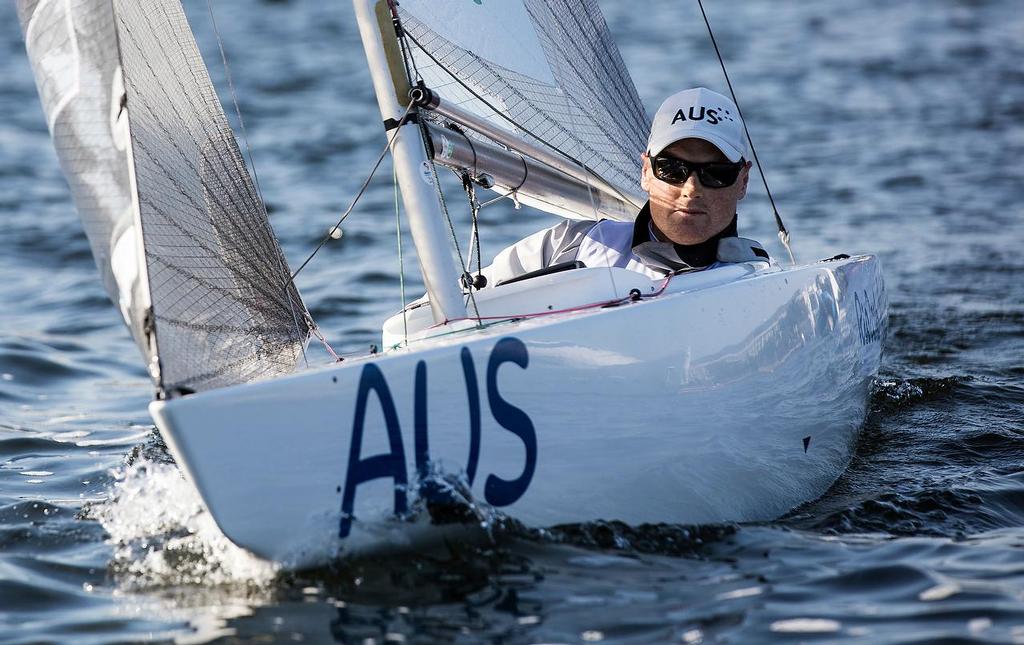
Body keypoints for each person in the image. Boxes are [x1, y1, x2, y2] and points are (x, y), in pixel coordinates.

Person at [479, 87, 770, 285]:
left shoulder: (758, 285)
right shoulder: (567, 245)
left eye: (716, 173)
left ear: (743, 180)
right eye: (672, 169)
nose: (691, 188)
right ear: (646, 171)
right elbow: (452, 309)